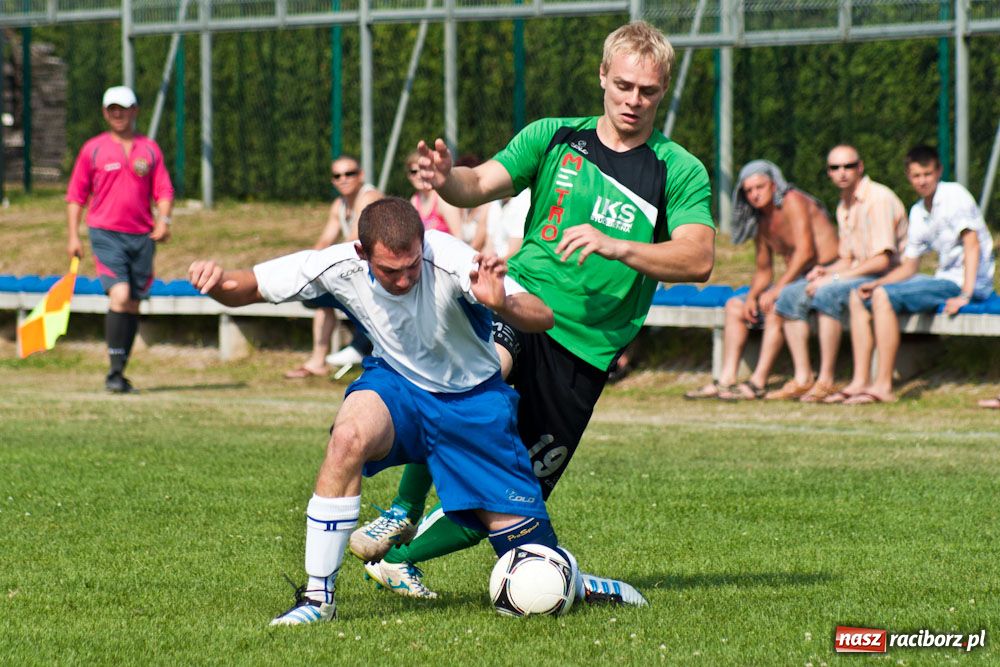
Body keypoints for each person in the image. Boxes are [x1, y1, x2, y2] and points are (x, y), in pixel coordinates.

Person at [351, 21, 715, 603]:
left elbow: (698, 257)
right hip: (521, 300)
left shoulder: (677, 169)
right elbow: (477, 183)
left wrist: (621, 245)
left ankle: (398, 559)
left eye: (647, 91)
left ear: (663, 89)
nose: (633, 100)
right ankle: (402, 507)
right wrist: (447, 181)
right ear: (602, 76)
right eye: (623, 85)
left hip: (587, 350)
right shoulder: (554, 137)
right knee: (477, 373)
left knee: (513, 495)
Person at [188, 197, 639, 625]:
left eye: (410, 267)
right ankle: (317, 597)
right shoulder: (337, 264)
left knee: (534, 558)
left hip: (474, 404)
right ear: (363, 252)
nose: (404, 280)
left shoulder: (449, 258)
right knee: (347, 438)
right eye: (390, 271)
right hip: (397, 386)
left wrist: (501, 302)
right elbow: (245, 287)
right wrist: (215, 280)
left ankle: (575, 581)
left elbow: (542, 315)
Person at [843, 145, 996, 405]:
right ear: (908, 176)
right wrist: (877, 281)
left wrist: (966, 295)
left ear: (939, 171)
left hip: (963, 284)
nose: (922, 180)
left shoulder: (954, 196)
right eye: (916, 175)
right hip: (942, 280)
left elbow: (972, 244)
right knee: (860, 294)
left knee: (882, 297)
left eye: (927, 173)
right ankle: (860, 381)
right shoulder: (918, 211)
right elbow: (909, 266)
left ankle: (883, 387)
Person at [684, 160, 838, 401]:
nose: (755, 194)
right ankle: (725, 380)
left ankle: (758, 382)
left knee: (777, 303)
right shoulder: (761, 220)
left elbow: (806, 252)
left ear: (773, 185)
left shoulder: (793, 201)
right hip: (798, 279)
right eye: (749, 190)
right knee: (735, 305)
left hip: (828, 272)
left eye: (760, 187)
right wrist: (753, 297)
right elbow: (763, 270)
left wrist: (776, 290)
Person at [774, 145, 908, 403]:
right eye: (835, 168)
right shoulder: (844, 204)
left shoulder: (877, 199)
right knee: (790, 294)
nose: (842, 173)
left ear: (860, 167)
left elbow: (882, 260)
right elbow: (848, 259)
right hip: (860, 272)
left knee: (827, 292)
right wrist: (827, 270)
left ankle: (826, 379)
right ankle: (803, 378)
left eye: (848, 166)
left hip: (888, 276)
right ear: (829, 173)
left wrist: (835, 278)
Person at [65, 85, 174, 394]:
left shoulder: (149, 149)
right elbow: (76, 195)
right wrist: (74, 235)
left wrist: (164, 221)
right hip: (105, 233)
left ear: (134, 111)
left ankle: (120, 372)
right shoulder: (94, 149)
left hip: (142, 236)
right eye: (112, 108)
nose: (117, 114)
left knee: (134, 304)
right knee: (121, 296)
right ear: (104, 112)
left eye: (123, 108)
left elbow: (164, 190)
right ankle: (114, 373)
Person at [284, 156, 382, 378]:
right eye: (337, 175)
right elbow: (325, 240)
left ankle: (362, 349)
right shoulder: (339, 205)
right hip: (360, 270)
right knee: (319, 296)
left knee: (324, 292)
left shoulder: (369, 197)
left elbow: (353, 239)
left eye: (349, 173)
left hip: (382, 273)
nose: (343, 179)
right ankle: (319, 361)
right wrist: (305, 266)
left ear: (361, 175)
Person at [405, 150, 462, 237]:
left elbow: (459, 236)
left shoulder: (442, 199)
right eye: (414, 172)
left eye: (423, 170)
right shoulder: (414, 201)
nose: (419, 175)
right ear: (408, 176)